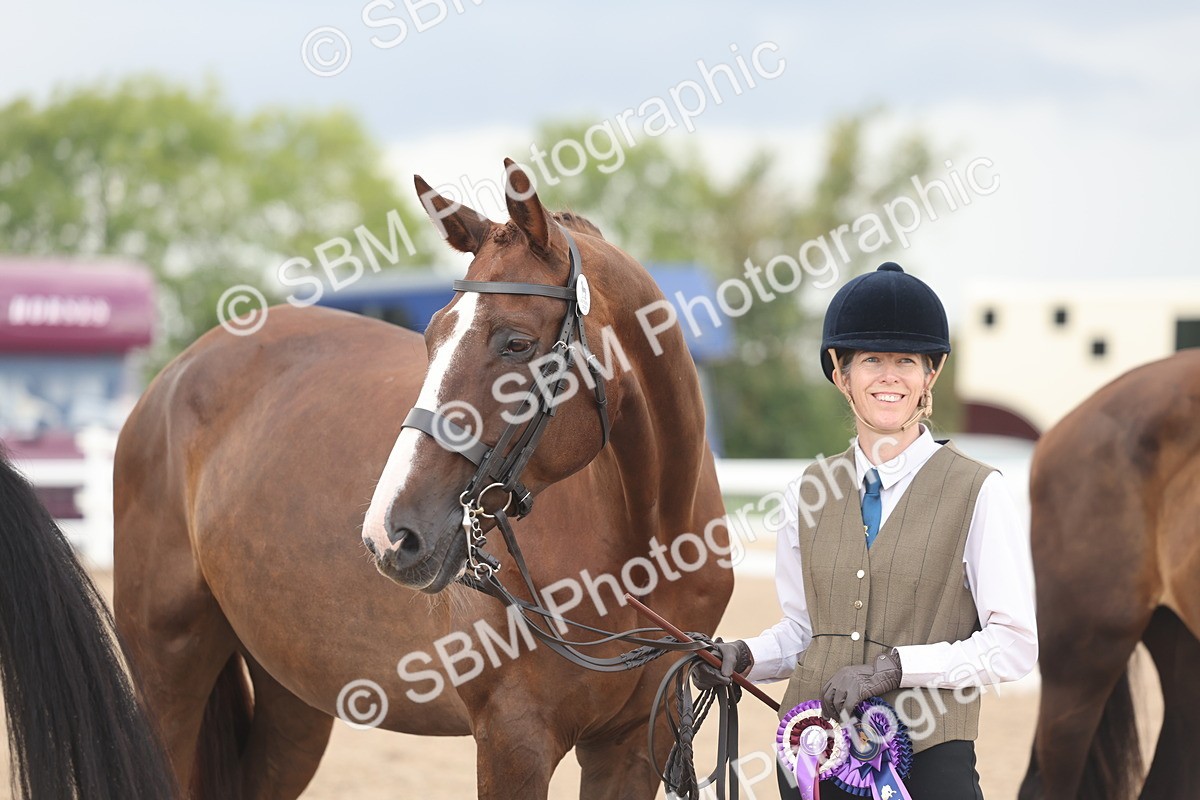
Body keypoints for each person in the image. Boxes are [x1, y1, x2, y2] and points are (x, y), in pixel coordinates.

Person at [695, 262, 1038, 799]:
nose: (889, 376)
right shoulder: (807, 492)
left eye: (906, 361)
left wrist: (898, 669)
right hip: (816, 756)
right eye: (872, 360)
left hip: (928, 762)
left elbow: (1013, 645)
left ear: (931, 375)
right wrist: (746, 656)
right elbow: (806, 632)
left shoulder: (980, 491)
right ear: (841, 374)